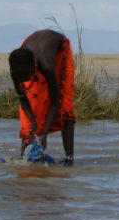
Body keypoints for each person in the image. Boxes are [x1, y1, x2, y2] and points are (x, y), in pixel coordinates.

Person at [8, 29, 76, 164]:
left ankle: (70, 159)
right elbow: (22, 97)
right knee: (31, 105)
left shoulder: (46, 66)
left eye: (26, 76)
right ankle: (25, 158)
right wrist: (32, 121)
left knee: (64, 105)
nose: (23, 80)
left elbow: (55, 101)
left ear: (33, 66)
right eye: (20, 77)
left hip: (58, 46)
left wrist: (44, 132)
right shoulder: (17, 69)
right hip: (30, 45)